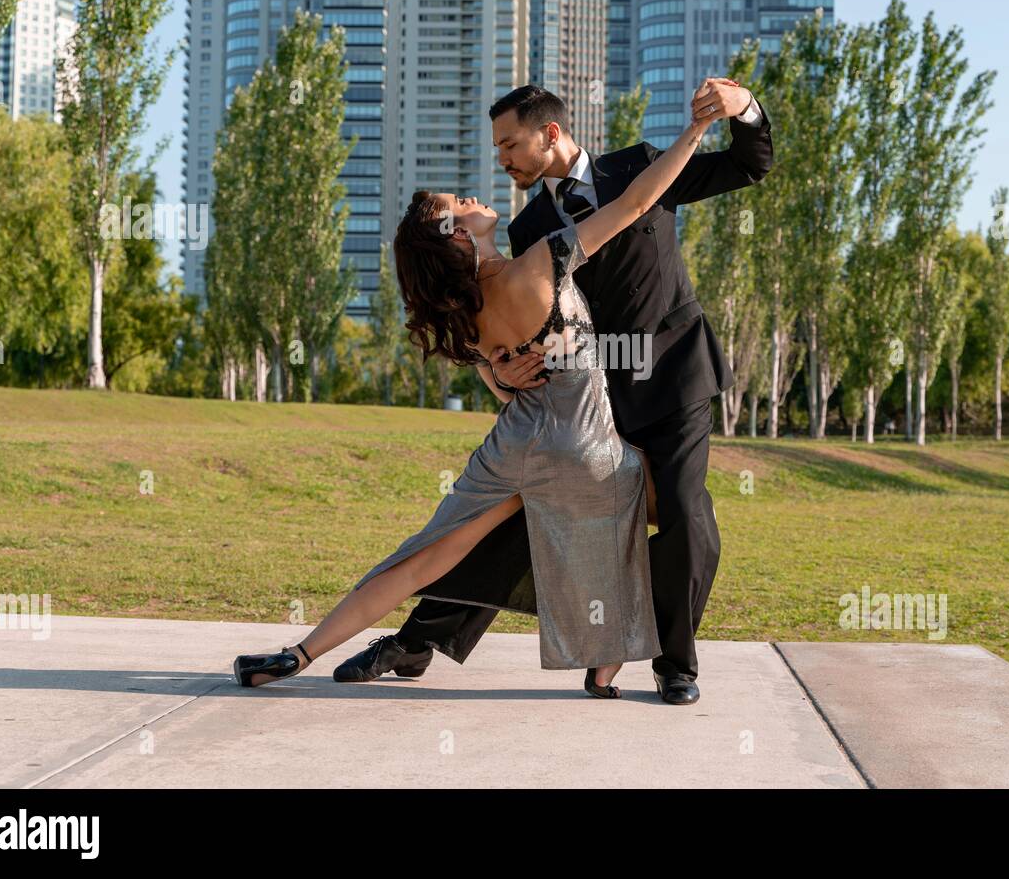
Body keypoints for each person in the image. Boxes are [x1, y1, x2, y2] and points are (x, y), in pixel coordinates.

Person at [232, 99, 724, 698]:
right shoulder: (539, 265)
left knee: (420, 557)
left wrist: (505, 375)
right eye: (458, 206)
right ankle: (612, 656)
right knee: (680, 519)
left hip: (511, 447)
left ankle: (296, 654)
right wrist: (696, 129)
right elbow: (637, 202)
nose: (472, 197)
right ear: (459, 236)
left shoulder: (468, 314)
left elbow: (497, 377)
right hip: (585, 444)